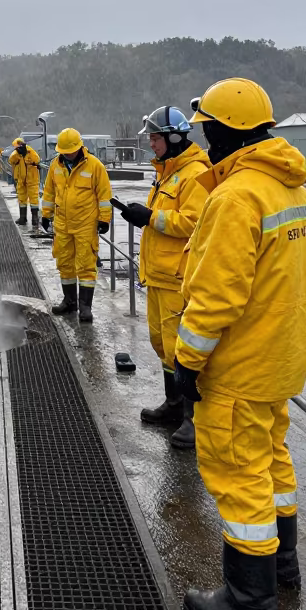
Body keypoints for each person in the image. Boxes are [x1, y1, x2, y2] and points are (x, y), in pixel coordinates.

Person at [174, 78, 306, 610]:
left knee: (239, 475)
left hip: (238, 366)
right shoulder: (291, 190)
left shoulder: (236, 196)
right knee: (273, 462)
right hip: (278, 360)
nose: (203, 139)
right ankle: (283, 569)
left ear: (227, 131)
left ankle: (249, 603)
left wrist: (187, 361)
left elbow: (216, 297)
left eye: (208, 129)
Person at [112, 107, 210, 449]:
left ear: (174, 137)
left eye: (155, 138)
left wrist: (150, 217)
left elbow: (194, 222)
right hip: (159, 276)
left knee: (183, 351)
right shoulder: (168, 173)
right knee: (162, 346)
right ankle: (173, 404)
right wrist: (142, 215)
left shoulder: (195, 174)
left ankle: (194, 419)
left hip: (178, 278)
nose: (151, 144)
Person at [40, 128, 112, 322]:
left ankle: (85, 307)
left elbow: (104, 195)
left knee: (86, 265)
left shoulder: (95, 166)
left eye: (70, 151)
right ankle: (70, 302)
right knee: (64, 263)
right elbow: (49, 192)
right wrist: (46, 214)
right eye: (63, 152)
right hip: (62, 223)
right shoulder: (56, 165)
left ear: (80, 147)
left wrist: (104, 219)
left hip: (85, 224)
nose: (67, 155)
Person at [10, 137, 42, 228]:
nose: (18, 148)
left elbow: (37, 160)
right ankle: (22, 218)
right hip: (21, 180)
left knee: (33, 198)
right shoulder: (16, 154)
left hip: (32, 179)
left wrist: (27, 153)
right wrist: (17, 153)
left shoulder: (30, 151)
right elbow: (11, 160)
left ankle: (35, 218)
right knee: (21, 198)